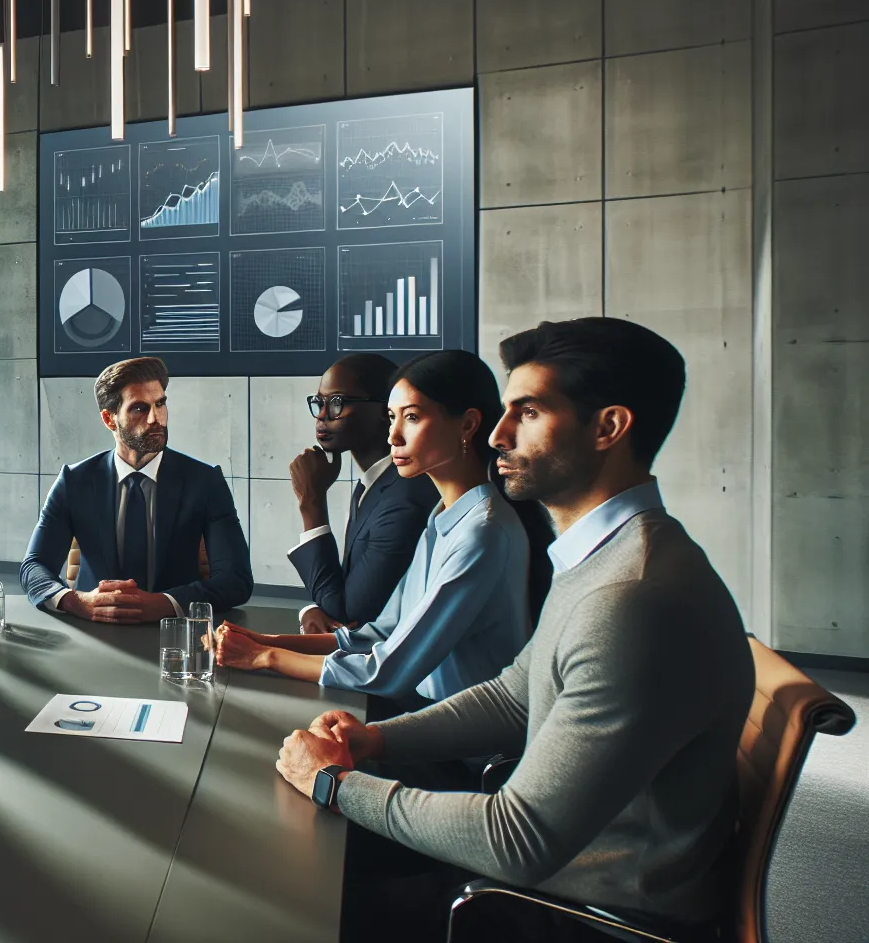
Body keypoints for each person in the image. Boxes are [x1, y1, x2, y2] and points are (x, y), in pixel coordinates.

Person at [273, 318, 754, 940]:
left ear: (609, 427)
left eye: (525, 413)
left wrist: (335, 782)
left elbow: (518, 839)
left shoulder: (630, 595)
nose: (496, 434)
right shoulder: (605, 556)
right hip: (553, 871)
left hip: (580, 914)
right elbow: (512, 694)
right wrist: (375, 743)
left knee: (297, 902)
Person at [216, 351, 544, 721]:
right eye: (392, 417)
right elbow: (380, 632)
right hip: (424, 717)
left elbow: (387, 670)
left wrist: (266, 657)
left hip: (459, 738)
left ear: (467, 425)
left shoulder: (483, 531)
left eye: (413, 417)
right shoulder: (445, 517)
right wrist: (265, 640)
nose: (394, 435)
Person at [21, 356, 251, 622]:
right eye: (140, 409)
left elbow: (237, 580)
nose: (156, 418)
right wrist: (77, 602)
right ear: (109, 419)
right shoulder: (75, 482)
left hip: (176, 633)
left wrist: (165, 603)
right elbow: (33, 568)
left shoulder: (205, 481)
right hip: (95, 631)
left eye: (160, 404)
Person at [287, 354, 439, 635]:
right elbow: (345, 592)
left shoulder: (405, 498)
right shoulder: (376, 485)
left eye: (337, 403)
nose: (322, 415)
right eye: (319, 402)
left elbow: (350, 614)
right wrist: (313, 609)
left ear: (386, 411)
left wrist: (312, 501)